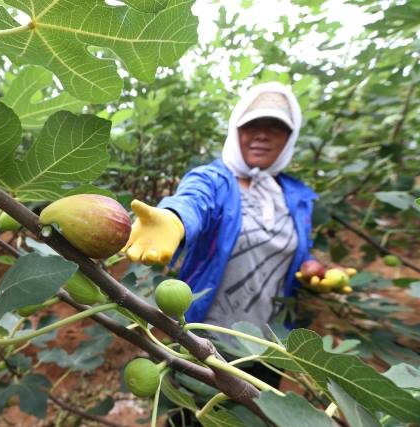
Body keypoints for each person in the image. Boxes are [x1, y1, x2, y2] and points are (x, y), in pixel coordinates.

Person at [122, 82, 321, 365]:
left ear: (290, 138)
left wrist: (309, 265)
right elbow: (192, 201)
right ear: (236, 130)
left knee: (264, 408)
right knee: (193, 407)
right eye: (252, 125)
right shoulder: (213, 180)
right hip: (203, 338)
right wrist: (174, 219)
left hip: (270, 345)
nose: (262, 135)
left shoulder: (296, 196)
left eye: (275, 127)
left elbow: (296, 247)